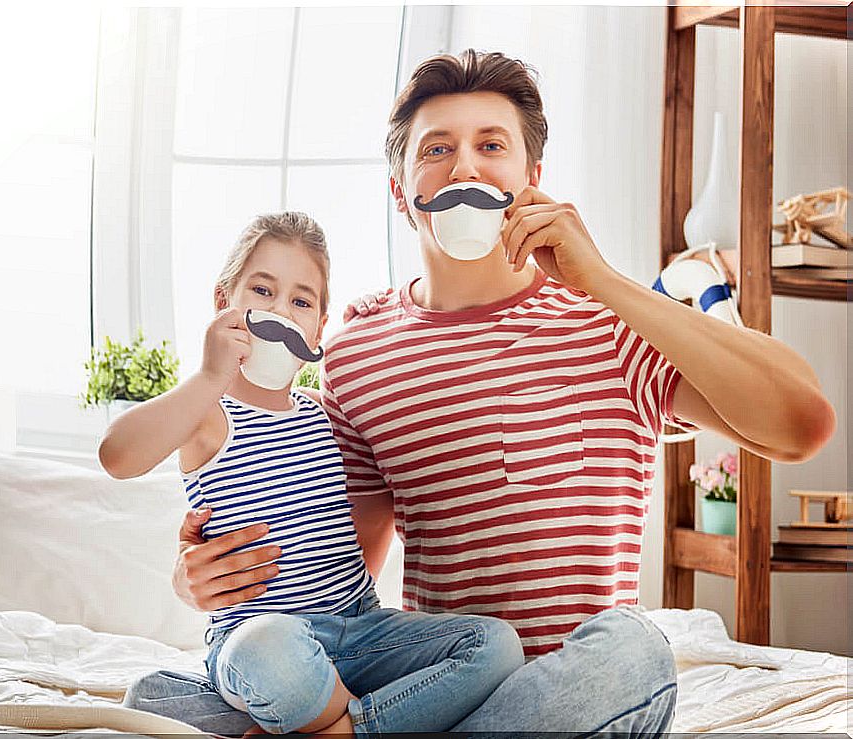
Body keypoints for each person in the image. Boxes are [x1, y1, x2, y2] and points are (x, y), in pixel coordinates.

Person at [124, 51, 835, 735]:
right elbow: (343, 580)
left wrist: (608, 282)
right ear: (402, 192)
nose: (465, 164)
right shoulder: (357, 352)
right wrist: (209, 587)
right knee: (151, 697)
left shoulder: (614, 323)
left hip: (570, 691)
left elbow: (803, 424)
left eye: (491, 145)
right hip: (436, 688)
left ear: (531, 178)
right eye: (437, 149)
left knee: (636, 654)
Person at [100, 211, 526, 736]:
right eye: (262, 290)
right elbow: (117, 456)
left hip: (362, 631)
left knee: (497, 646)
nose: (280, 311)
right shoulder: (209, 413)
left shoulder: (322, 411)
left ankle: (331, 726)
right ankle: (352, 717)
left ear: (318, 328)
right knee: (255, 656)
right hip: (264, 641)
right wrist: (211, 374)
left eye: (301, 301)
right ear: (223, 305)